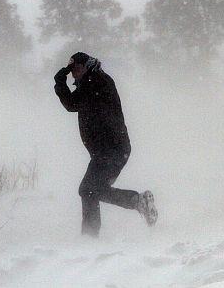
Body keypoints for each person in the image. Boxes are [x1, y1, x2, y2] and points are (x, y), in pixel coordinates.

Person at [54, 52, 157, 237]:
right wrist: (63, 81)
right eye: (72, 70)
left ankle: (90, 237)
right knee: (94, 190)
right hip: (111, 149)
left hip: (110, 149)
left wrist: (61, 83)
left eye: (76, 68)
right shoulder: (93, 81)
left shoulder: (96, 81)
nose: (74, 74)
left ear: (87, 66)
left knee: (88, 189)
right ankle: (138, 201)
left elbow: (71, 103)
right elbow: (74, 103)